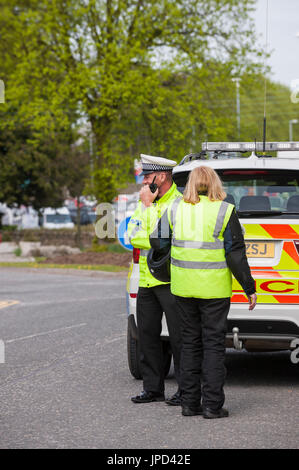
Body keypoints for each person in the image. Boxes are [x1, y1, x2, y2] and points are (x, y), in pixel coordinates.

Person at [150, 166, 257, 418]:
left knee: (189, 343)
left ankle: (189, 403)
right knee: (213, 345)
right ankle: (212, 406)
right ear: (214, 183)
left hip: (183, 288)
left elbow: (158, 242)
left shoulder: (175, 208)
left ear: (190, 184)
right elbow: (235, 254)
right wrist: (249, 287)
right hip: (214, 290)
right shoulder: (224, 210)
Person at [128, 154, 183, 405]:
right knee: (147, 336)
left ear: (160, 178)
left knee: (180, 337)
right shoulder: (144, 203)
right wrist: (151, 232)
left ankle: (185, 389)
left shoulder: (179, 204)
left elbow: (162, 240)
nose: (143, 184)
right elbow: (133, 235)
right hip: (146, 280)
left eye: (147, 178)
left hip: (172, 280)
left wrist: (149, 210)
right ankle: (153, 389)